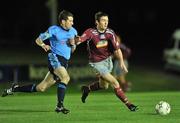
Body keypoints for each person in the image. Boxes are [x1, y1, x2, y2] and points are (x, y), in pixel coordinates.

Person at [1, 10, 77, 114]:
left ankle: (15, 89)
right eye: (70, 21)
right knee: (65, 78)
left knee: (41, 88)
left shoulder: (73, 31)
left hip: (64, 62)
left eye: (72, 21)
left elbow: (72, 50)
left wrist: (73, 45)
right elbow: (38, 40)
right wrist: (43, 45)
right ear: (63, 21)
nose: (72, 23)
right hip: (55, 58)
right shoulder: (54, 30)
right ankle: (60, 106)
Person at [75, 11, 138, 111]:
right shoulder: (90, 32)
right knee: (115, 82)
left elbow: (117, 49)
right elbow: (80, 39)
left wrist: (121, 62)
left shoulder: (110, 33)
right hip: (96, 63)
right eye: (103, 20)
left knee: (104, 86)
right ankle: (129, 104)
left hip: (108, 61)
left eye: (107, 21)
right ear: (97, 22)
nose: (106, 23)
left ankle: (87, 89)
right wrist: (76, 41)